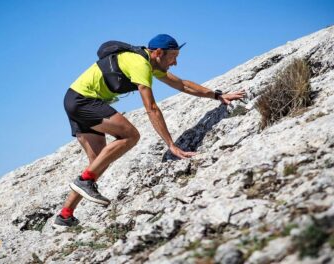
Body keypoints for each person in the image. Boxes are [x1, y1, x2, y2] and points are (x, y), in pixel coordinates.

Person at [54, 34, 245, 227]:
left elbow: (182, 84)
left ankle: (65, 215)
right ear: (159, 53)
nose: (176, 62)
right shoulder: (140, 64)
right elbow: (151, 108)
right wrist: (171, 144)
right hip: (84, 101)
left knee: (98, 163)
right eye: (173, 56)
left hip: (74, 99)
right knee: (130, 135)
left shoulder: (149, 62)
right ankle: (84, 183)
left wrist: (217, 95)